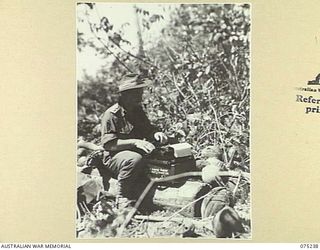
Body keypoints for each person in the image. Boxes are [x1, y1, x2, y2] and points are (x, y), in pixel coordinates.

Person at [97, 73, 168, 209]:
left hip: (135, 152)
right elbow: (108, 144)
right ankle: (122, 196)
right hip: (114, 156)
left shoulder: (137, 111)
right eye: (135, 93)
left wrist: (156, 133)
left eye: (140, 92)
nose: (139, 96)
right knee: (134, 159)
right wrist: (135, 142)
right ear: (124, 95)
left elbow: (148, 130)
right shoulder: (112, 115)